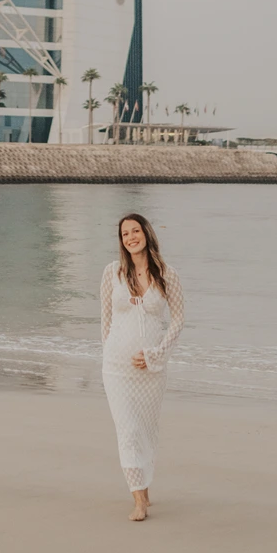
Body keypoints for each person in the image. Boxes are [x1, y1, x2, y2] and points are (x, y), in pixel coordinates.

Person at [100, 213, 185, 521]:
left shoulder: (166, 273)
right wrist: (109, 355)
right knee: (128, 429)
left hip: (151, 370)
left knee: (146, 430)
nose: (131, 237)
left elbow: (178, 319)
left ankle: (145, 491)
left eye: (135, 231)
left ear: (147, 234)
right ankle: (138, 499)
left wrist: (157, 353)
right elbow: (105, 321)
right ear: (121, 241)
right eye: (125, 234)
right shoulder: (112, 273)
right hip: (116, 368)